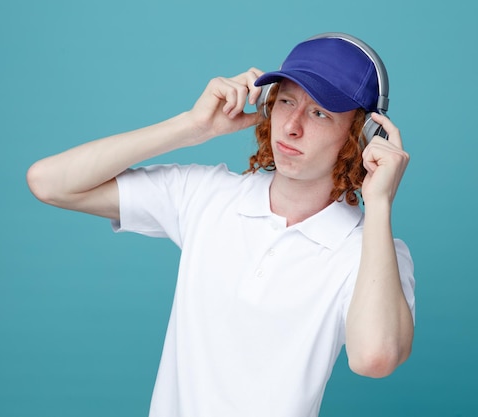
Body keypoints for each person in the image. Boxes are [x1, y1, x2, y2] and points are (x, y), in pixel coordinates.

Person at [27, 32, 415, 417]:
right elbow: (49, 182)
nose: (292, 126)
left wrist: (379, 202)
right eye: (286, 102)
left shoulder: (371, 253)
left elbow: (374, 358)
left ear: (362, 135)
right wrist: (191, 127)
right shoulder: (206, 195)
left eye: (319, 113)